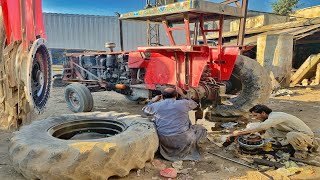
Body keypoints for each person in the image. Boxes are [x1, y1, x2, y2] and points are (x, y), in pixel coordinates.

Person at [143, 87, 207, 161]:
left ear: (162, 96)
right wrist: (183, 94)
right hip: (184, 139)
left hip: (165, 141)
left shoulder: (156, 105)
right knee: (201, 129)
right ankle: (187, 149)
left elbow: (145, 111)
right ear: (176, 95)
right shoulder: (184, 103)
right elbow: (195, 104)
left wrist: (153, 101)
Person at [232, 104, 318, 159]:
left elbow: (263, 126)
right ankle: (283, 144)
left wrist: (240, 133)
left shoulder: (275, 117)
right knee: (270, 129)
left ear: (263, 113)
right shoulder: (268, 118)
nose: (255, 117)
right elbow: (262, 128)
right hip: (292, 133)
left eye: (256, 115)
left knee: (291, 135)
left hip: (305, 136)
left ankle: (301, 150)